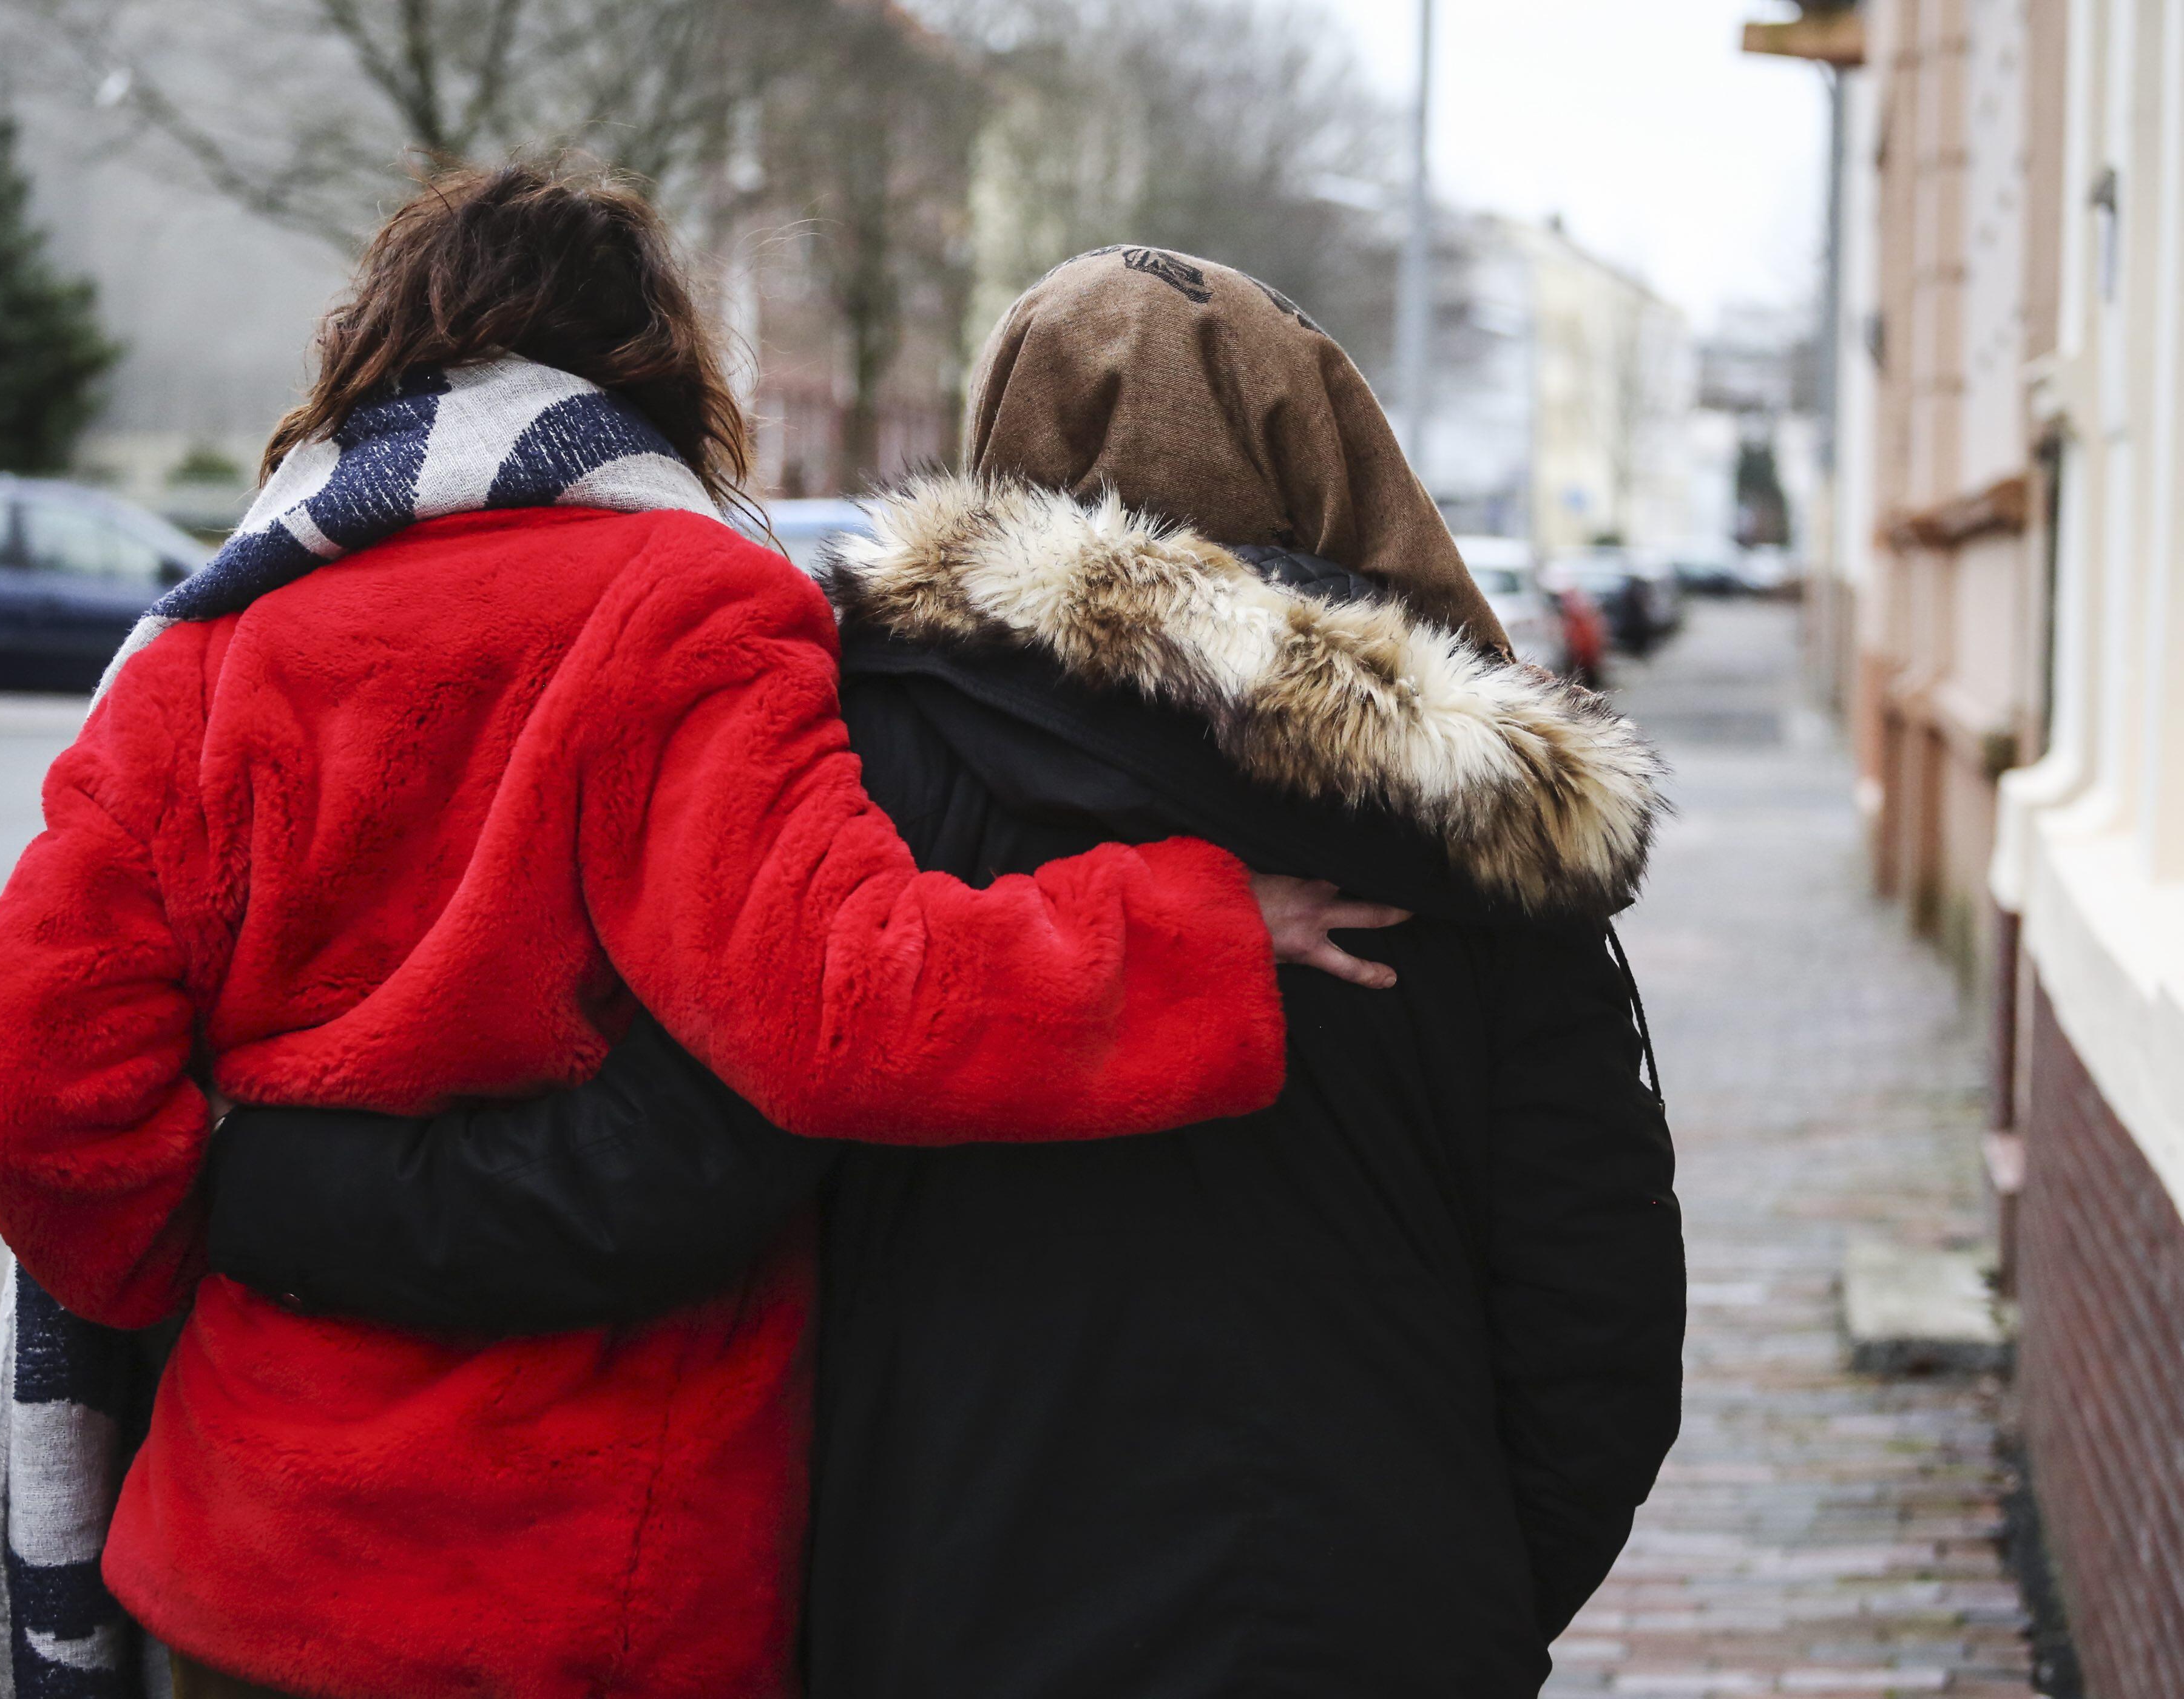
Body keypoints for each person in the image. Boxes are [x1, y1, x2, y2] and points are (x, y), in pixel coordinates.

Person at [0, 169, 1387, 1699]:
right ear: (654, 370)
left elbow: (23, 1083)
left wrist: (198, 1248)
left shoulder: (213, 644)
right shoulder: (692, 604)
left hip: (247, 1565)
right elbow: (848, 1004)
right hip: (582, 1590)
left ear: (379, 355)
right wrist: (1196, 931)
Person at [205, 247, 1687, 1697]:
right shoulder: (1484, 830)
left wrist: (262, 1180)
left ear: (1000, 440)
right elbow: (1598, 1314)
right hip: (1380, 1612)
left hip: (935, 1605)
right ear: (1327, 453)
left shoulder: (839, 755)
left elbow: (659, 1178)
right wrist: (1458, 1589)